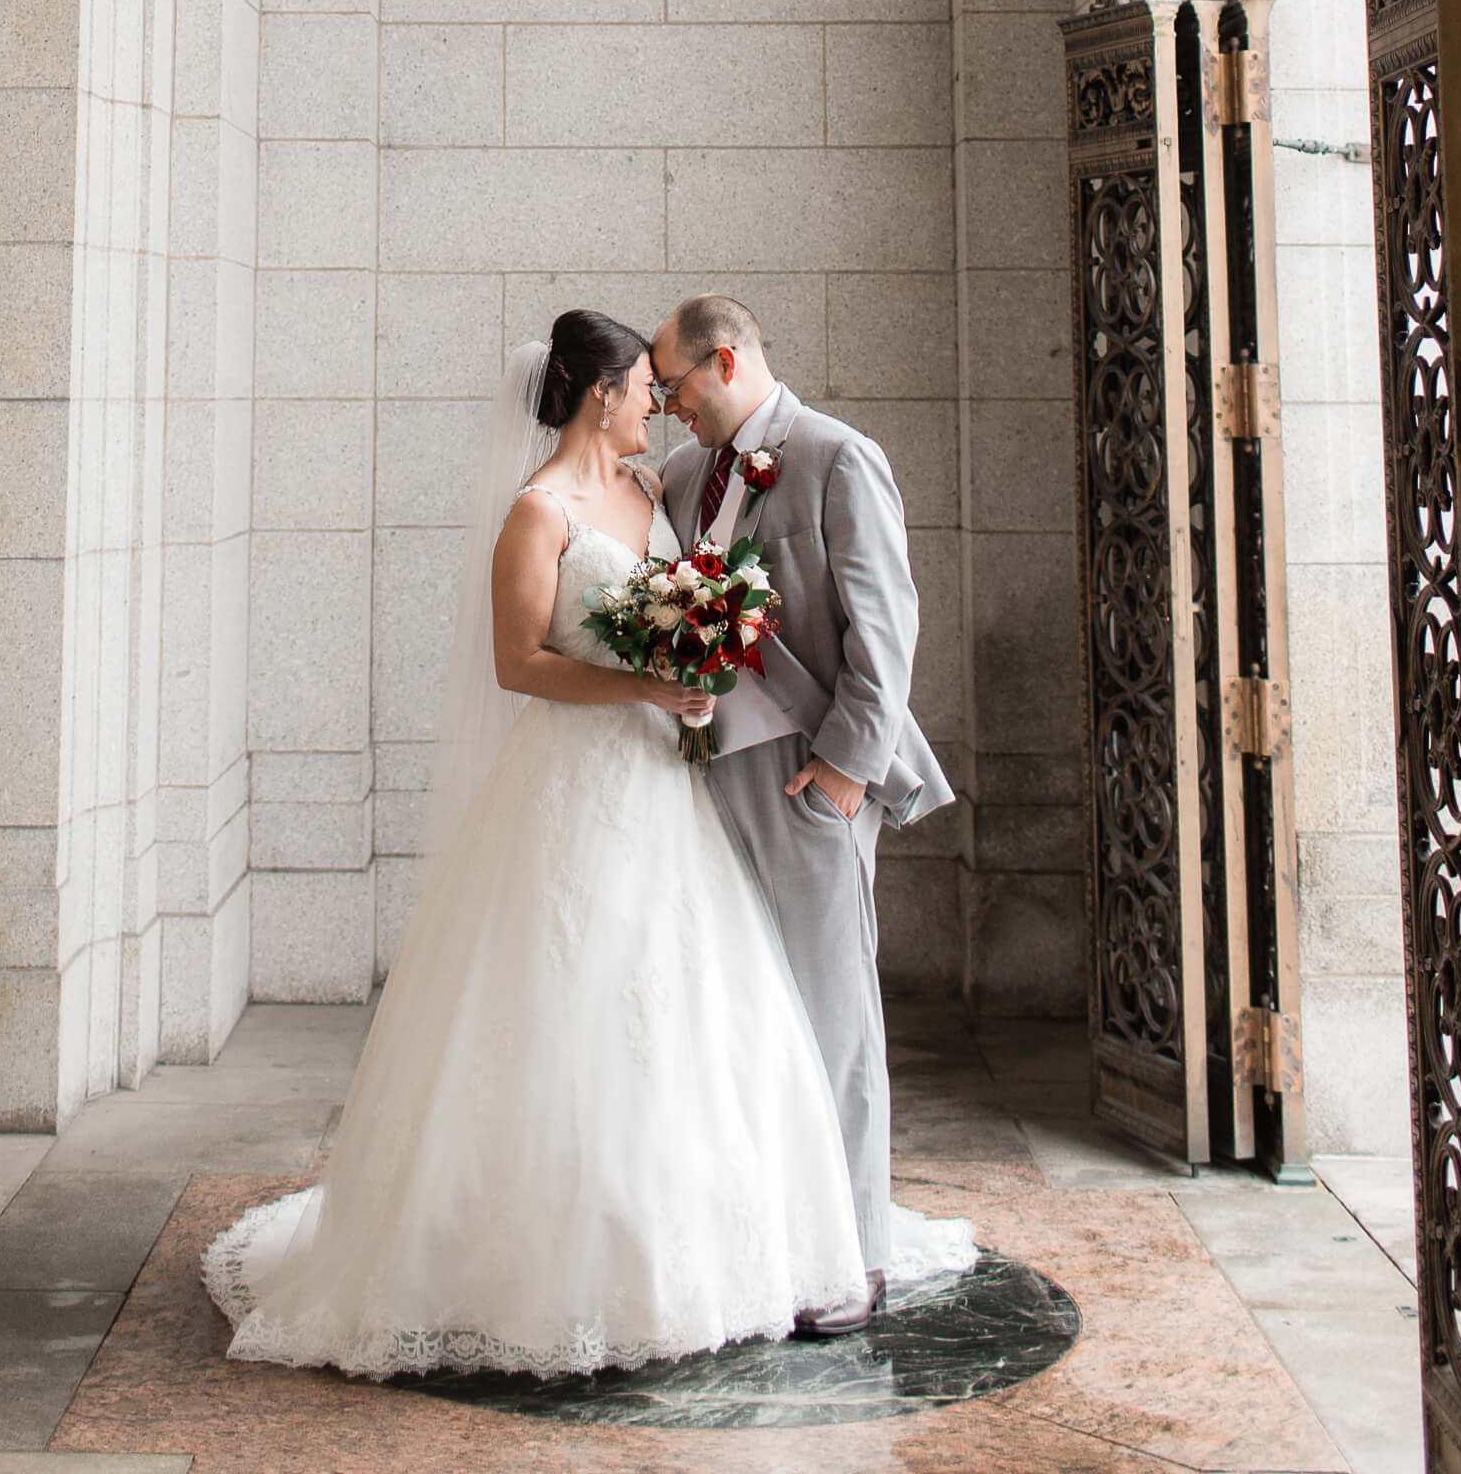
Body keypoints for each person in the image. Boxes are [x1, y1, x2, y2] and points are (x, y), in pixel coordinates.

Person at [199, 308, 874, 1378]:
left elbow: (693, 601)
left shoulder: (653, 493)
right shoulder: (537, 511)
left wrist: (694, 680)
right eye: (643, 387)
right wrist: (647, 682)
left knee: (684, 1005)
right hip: (572, 779)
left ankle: (693, 1240)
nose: (659, 399)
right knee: (559, 996)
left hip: (663, 781)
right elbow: (519, 664)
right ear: (600, 397)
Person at [650, 293, 955, 1330]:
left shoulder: (833, 457)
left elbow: (885, 628)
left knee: (831, 1023)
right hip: (706, 778)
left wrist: (842, 773)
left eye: (674, 386)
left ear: (724, 361)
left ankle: (850, 1261)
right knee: (742, 1022)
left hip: (807, 778)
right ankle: (763, 1239)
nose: (662, 406)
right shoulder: (685, 477)